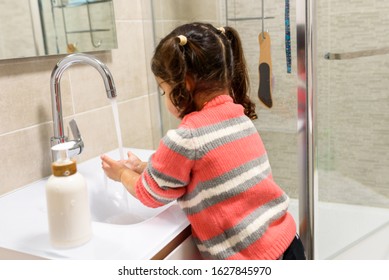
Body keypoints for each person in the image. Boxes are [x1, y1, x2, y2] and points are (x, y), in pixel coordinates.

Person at [101, 22, 305, 260]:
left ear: (184, 84)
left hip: (252, 259)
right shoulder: (238, 117)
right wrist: (144, 167)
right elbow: (204, 172)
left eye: (163, 90)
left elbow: (151, 194)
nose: (166, 98)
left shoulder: (185, 138)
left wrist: (122, 174)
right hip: (288, 242)